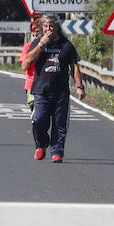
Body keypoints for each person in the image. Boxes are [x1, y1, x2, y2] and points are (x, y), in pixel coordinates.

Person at [21, 14, 84, 162]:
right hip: (41, 91)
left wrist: (80, 86)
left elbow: (75, 67)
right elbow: (25, 64)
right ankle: (41, 145)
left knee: (59, 124)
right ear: (42, 29)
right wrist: (41, 45)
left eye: (51, 26)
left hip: (61, 91)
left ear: (56, 28)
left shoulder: (66, 45)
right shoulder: (37, 42)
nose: (48, 29)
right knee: (38, 120)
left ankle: (57, 152)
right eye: (45, 26)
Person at [21, 15, 42, 109]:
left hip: (45, 83)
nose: (35, 34)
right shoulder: (27, 46)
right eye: (33, 31)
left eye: (38, 31)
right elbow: (24, 66)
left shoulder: (49, 46)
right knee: (36, 113)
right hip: (31, 84)